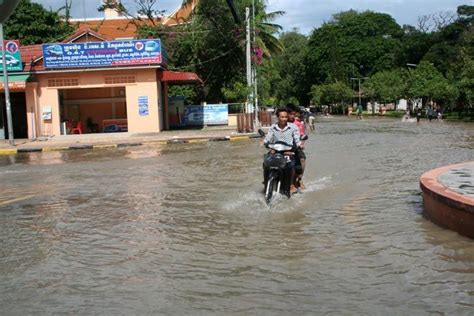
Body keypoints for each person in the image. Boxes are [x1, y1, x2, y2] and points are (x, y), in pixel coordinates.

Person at [264, 107, 302, 195]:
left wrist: (300, 144)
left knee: (291, 164)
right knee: (266, 162)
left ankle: (291, 184)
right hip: (275, 152)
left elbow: (297, 138)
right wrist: (264, 142)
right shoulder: (273, 127)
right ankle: (266, 182)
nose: (284, 119)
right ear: (277, 117)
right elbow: (268, 137)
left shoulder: (293, 127)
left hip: (288, 152)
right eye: (282, 117)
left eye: (285, 117)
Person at [286, 105, 307, 191]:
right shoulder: (280, 123)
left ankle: (299, 178)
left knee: (301, 159)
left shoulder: (298, 124)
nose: (293, 116)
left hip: (294, 147)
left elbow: (301, 136)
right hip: (281, 147)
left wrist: (301, 144)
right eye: (291, 114)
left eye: (294, 114)